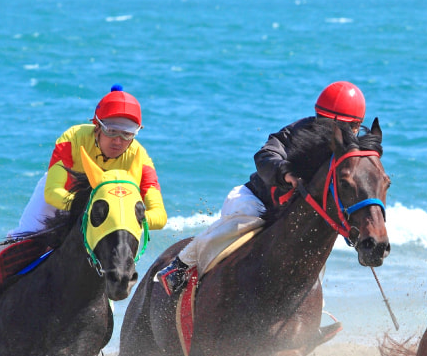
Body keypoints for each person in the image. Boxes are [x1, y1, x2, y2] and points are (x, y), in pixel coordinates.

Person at [0, 85, 167, 323]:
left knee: (111, 260)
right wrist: (89, 208)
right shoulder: (73, 138)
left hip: (106, 213)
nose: (119, 141)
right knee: (20, 236)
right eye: (112, 130)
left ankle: (98, 334)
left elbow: (159, 215)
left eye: (128, 134)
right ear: (97, 126)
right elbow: (53, 193)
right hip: (64, 193)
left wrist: (127, 217)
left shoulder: (140, 157)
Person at [155, 80, 367, 296]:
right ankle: (180, 266)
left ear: (358, 127)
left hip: (290, 217)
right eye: (333, 125)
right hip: (256, 199)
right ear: (319, 117)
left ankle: (314, 316)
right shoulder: (296, 131)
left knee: (313, 254)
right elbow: (265, 156)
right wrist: (285, 172)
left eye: (349, 128)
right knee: (237, 226)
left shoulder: (351, 156)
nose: (340, 135)